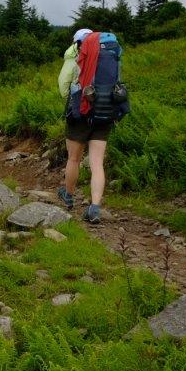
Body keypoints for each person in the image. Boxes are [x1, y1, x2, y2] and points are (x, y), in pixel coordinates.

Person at [57, 29, 125, 224]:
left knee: (74, 158)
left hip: (81, 112)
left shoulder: (77, 57)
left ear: (78, 43)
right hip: (105, 110)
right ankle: (94, 208)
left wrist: (71, 97)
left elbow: (64, 86)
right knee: (97, 163)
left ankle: (68, 195)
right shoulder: (111, 54)